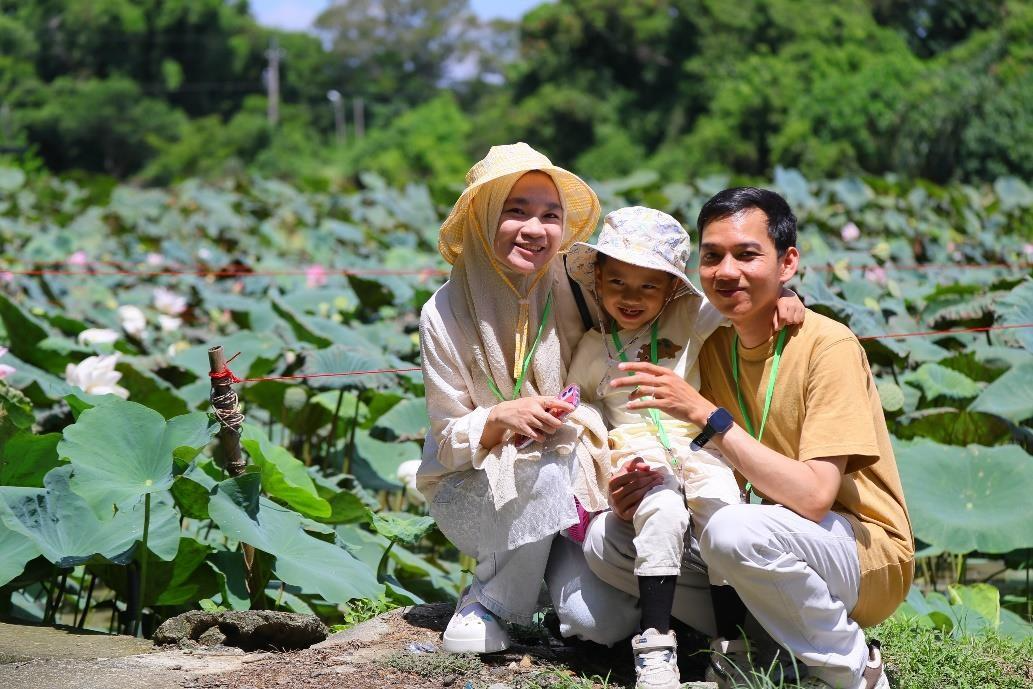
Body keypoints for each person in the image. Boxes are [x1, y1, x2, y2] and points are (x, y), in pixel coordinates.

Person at [595, 187, 915, 689]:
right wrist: (638, 488)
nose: (726, 271)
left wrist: (708, 417)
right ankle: (758, 647)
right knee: (606, 542)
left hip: (859, 551)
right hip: (766, 533)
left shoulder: (827, 346)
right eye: (712, 257)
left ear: (788, 263)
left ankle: (854, 669)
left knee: (732, 530)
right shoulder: (713, 341)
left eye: (747, 255)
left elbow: (813, 498)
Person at [564, 206, 806, 689]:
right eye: (617, 284)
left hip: (699, 448)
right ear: (597, 282)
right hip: (637, 455)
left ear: (671, 287)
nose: (630, 298)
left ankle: (731, 649)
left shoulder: (687, 317)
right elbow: (579, 414)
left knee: (723, 517)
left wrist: (787, 294)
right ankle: (654, 647)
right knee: (662, 513)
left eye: (648, 286)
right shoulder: (592, 349)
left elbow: (742, 300)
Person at [417, 142, 639, 654]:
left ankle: (542, 589)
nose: (534, 230)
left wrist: (778, 298)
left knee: (599, 624)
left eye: (549, 215)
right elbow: (449, 441)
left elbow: (659, 303)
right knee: (542, 463)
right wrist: (499, 418)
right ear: (482, 217)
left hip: (580, 478)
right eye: (515, 212)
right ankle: (490, 602)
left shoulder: (575, 283)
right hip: (477, 487)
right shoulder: (443, 314)